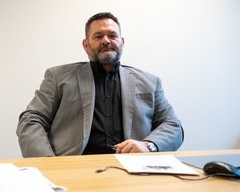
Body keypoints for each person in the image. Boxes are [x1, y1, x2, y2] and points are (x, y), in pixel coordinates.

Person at [16, 12, 183, 157]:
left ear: (122, 42)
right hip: (74, 168)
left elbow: (173, 125)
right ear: (86, 45)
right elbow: (31, 120)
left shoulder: (150, 82)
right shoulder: (58, 77)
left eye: (112, 35)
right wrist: (48, 163)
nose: (106, 41)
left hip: (134, 168)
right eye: (98, 36)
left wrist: (148, 145)